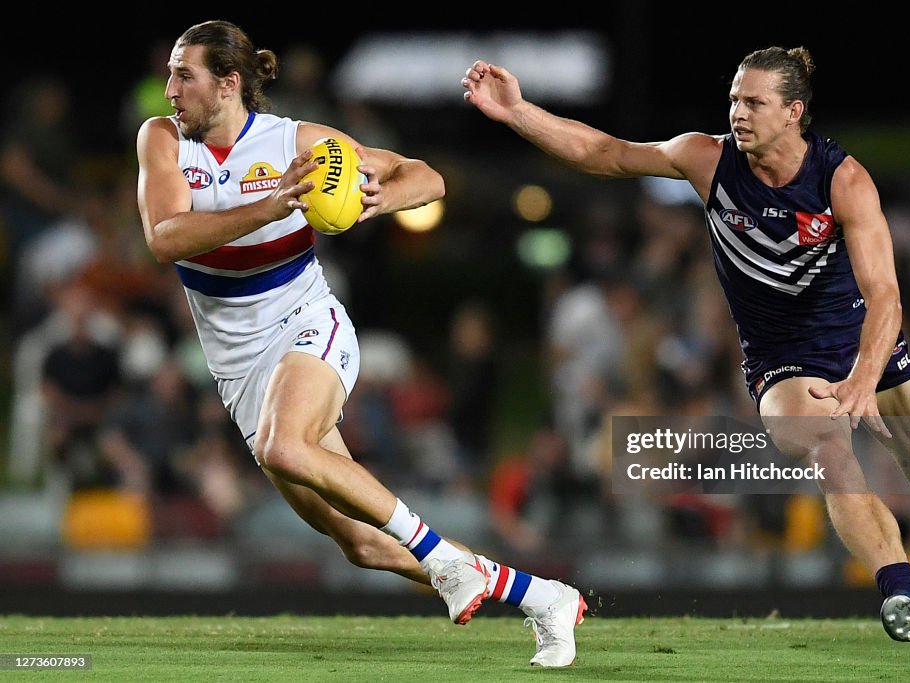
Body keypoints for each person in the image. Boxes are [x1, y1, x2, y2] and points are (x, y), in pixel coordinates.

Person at [462, 46, 910, 652]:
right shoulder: (707, 159)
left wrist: (861, 377)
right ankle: (901, 589)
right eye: (734, 99)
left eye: (754, 102)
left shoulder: (843, 179)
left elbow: (886, 294)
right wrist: (518, 112)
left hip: (865, 344)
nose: (738, 112)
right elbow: (606, 153)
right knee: (828, 448)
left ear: (793, 112)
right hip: (781, 361)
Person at [136, 20, 584, 667]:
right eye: (172, 73)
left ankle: (441, 557)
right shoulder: (160, 139)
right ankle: (542, 595)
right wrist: (268, 208)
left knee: (282, 443)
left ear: (228, 83)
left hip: (307, 325)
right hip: (237, 369)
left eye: (185, 74)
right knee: (362, 544)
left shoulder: (297, 143)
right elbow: (165, 237)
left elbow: (428, 179)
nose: (170, 86)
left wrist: (378, 199)